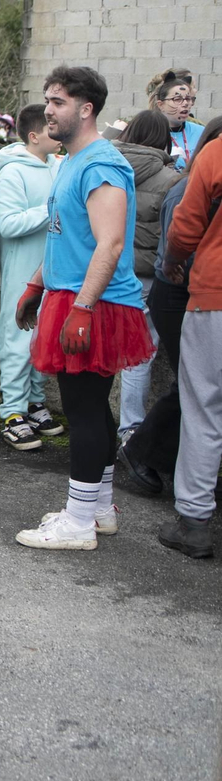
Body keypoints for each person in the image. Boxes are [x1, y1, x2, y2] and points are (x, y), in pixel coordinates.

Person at [15, 66, 155, 551]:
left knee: (84, 410)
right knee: (91, 407)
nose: (48, 110)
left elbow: (111, 242)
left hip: (95, 304)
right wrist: (36, 283)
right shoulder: (73, 160)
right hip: (75, 297)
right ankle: (97, 509)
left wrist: (83, 308)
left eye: (58, 102)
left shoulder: (100, 164)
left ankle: (77, 523)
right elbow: (66, 235)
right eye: (48, 101)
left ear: (86, 109)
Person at [121, 115, 222, 498]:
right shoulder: (181, 189)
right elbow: (174, 249)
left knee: (197, 389)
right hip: (178, 292)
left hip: (192, 290)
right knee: (194, 389)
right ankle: (142, 450)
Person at [156, 128, 222, 558]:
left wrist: (176, 261)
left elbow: (185, 225)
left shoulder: (215, 152)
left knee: (202, 408)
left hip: (214, 294)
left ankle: (195, 522)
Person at [0, 103, 64, 451]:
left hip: (51, 268)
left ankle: (35, 403)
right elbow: (9, 225)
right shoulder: (12, 172)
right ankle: (12, 413)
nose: (59, 131)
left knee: (43, 337)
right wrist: (52, 206)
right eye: (52, 127)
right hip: (22, 269)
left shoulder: (56, 164)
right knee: (17, 339)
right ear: (34, 136)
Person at [113, 110, 183, 440]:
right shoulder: (171, 179)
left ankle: (110, 424)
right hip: (147, 277)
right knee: (139, 356)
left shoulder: (108, 165)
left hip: (110, 271)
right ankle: (132, 430)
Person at [149, 68, 203, 171]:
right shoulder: (149, 133)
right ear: (161, 104)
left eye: (188, 99)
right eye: (177, 99)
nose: (185, 104)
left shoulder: (202, 132)